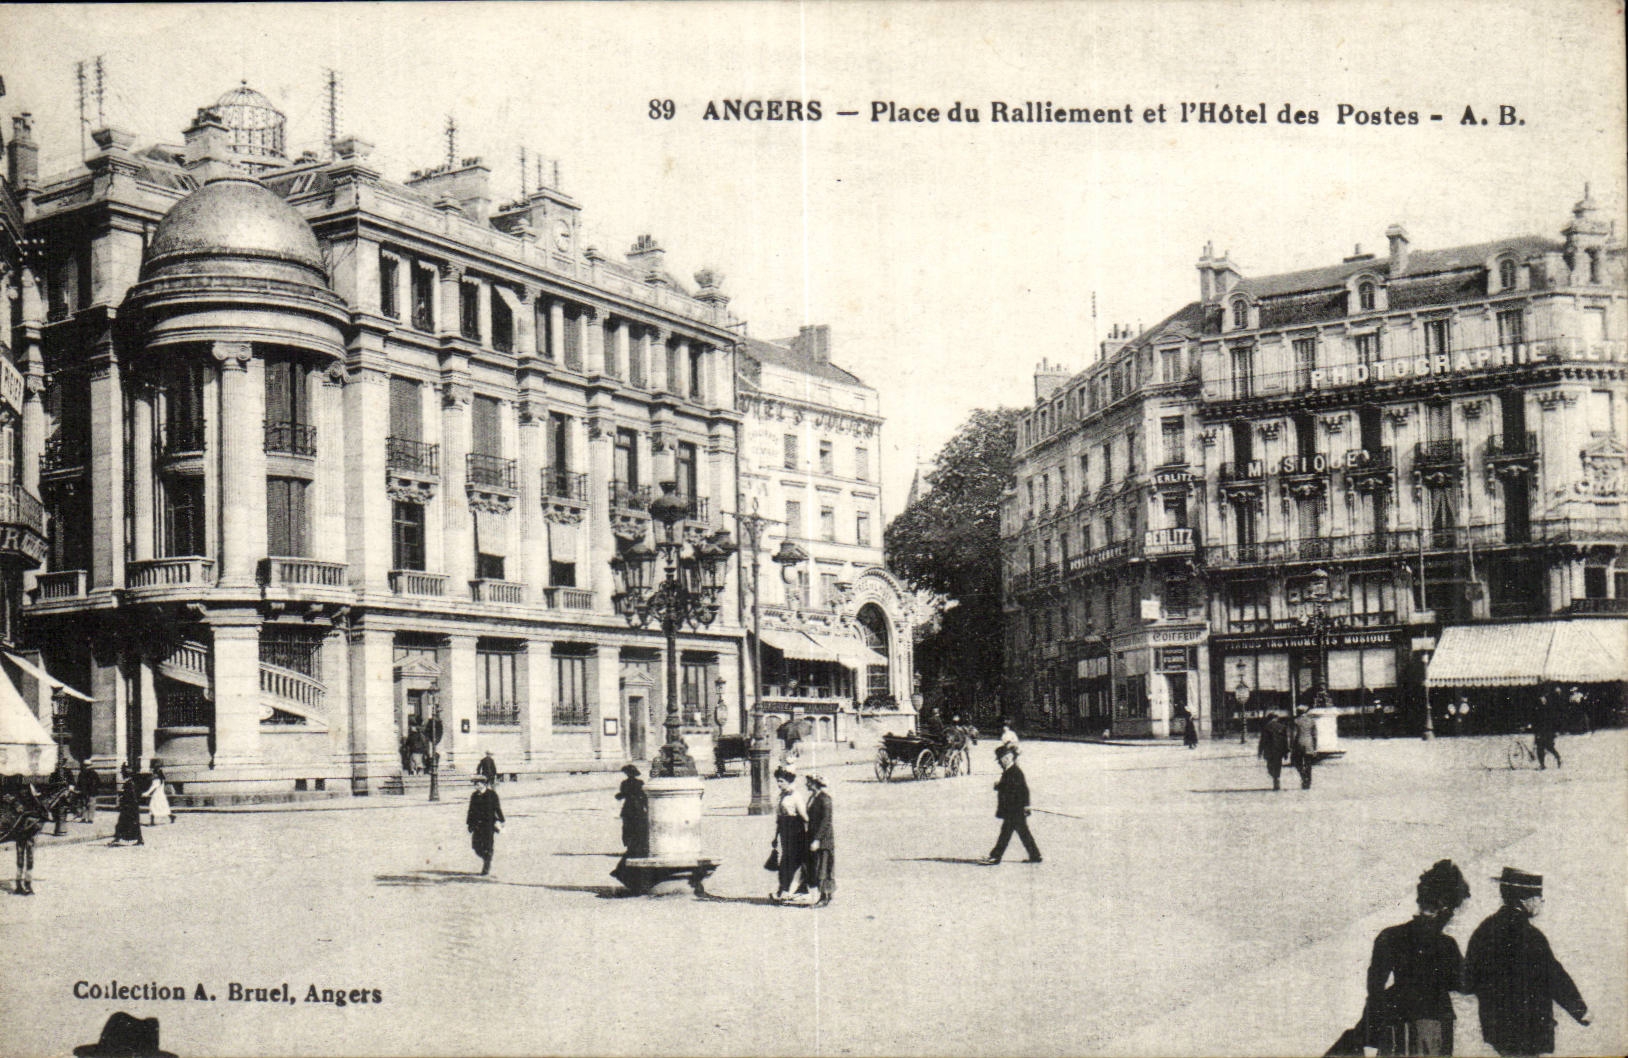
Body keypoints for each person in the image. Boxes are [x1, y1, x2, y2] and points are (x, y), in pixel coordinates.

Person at [1465, 867, 1589, 1057]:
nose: (1541, 902)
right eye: (1539, 897)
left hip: (1496, 1029)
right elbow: (1553, 976)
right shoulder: (1530, 935)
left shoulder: (1484, 929)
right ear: (1525, 899)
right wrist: (1580, 1010)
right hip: (1528, 1030)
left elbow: (1469, 980)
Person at [1364, 859, 1473, 1056]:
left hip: (1395, 1022)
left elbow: (1374, 986)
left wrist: (1373, 1031)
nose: (1452, 916)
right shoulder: (1446, 944)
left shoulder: (1389, 936)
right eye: (1453, 910)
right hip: (1434, 1024)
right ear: (1445, 908)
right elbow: (1464, 984)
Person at [982, 743, 1041, 864]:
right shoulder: (1010, 771)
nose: (998, 762)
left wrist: (1026, 805)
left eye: (999, 759)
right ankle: (1035, 856)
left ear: (1007, 758)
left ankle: (995, 856)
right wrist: (1000, 786)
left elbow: (1023, 790)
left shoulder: (1015, 771)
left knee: (1006, 833)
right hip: (1014, 809)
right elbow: (1010, 786)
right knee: (1022, 833)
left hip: (1014, 809)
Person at [770, 766, 809, 902]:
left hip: (795, 831)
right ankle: (787, 889)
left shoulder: (796, 796)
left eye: (781, 781)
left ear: (788, 781)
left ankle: (788, 890)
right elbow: (779, 818)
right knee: (787, 861)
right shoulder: (780, 796)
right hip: (784, 832)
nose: (779, 784)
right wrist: (775, 836)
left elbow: (804, 816)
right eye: (778, 781)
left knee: (791, 861)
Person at [804, 772, 835, 907]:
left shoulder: (825, 799)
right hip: (815, 837)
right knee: (818, 866)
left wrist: (817, 839)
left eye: (809, 782)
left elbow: (826, 821)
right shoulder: (813, 797)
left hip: (824, 840)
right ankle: (826, 894)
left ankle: (824, 897)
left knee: (823, 867)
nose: (806, 784)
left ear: (815, 784)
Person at [465, 772, 504, 876]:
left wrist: (501, 819)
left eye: (478, 784)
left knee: (488, 845)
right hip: (477, 825)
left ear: (484, 784)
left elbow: (497, 808)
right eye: (475, 784)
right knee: (476, 846)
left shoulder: (492, 794)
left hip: (488, 824)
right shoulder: (474, 795)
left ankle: (487, 864)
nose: (476, 786)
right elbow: (471, 810)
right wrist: (469, 824)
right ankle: (487, 858)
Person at [615, 763, 648, 858]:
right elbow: (644, 796)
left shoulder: (624, 783)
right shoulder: (640, 783)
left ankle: (630, 846)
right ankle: (639, 847)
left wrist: (619, 796)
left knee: (628, 828)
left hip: (629, 808)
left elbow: (622, 795)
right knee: (638, 827)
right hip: (638, 808)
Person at [108, 764, 143, 847]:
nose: (122, 774)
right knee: (129, 823)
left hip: (129, 807)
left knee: (125, 823)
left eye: (123, 773)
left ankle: (119, 838)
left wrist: (125, 802)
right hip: (131, 807)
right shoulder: (130, 783)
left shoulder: (130, 784)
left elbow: (132, 796)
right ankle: (138, 839)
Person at [1258, 710, 1290, 791]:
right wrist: (1286, 752)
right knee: (1278, 765)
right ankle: (1277, 778)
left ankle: (1275, 778)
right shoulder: (1282, 727)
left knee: (1270, 766)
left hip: (1269, 750)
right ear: (1276, 718)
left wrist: (1260, 752)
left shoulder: (1266, 727)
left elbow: (1263, 740)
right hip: (1279, 750)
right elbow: (1285, 740)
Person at [1291, 702, 1318, 789]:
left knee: (1297, 761)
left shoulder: (1296, 721)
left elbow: (1294, 734)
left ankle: (1303, 776)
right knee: (1308, 764)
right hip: (1309, 744)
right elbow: (1315, 736)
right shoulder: (1312, 721)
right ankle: (1308, 782)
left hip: (1299, 744)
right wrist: (1315, 747)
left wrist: (1291, 746)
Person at [1532, 689, 1561, 770]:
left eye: (1543, 699)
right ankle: (1545, 763)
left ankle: (1556, 759)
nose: (1542, 700)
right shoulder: (1541, 709)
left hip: (1546, 732)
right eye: (1541, 699)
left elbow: (1552, 721)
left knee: (1546, 747)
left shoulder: (1546, 709)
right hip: (1544, 732)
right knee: (1543, 748)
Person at [49, 756, 74, 836]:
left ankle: (61, 829)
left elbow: (71, 782)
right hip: (58, 794)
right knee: (59, 810)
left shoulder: (66, 771)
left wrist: (69, 790)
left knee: (61, 810)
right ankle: (60, 829)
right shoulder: (55, 772)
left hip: (62, 794)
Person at [76, 759, 99, 823]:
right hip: (84, 792)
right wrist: (79, 789)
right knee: (84, 805)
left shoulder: (94, 774)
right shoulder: (81, 774)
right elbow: (79, 783)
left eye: (88, 765)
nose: (86, 767)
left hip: (92, 792)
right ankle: (84, 817)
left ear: (91, 766)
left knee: (91, 805)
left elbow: (97, 783)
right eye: (85, 765)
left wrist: (92, 790)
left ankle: (90, 819)